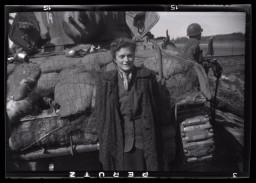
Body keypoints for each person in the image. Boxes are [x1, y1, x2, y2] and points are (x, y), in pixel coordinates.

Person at [96, 38, 164, 171]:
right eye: (121, 56)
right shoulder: (106, 81)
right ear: (115, 59)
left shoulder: (147, 77)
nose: (126, 60)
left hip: (144, 138)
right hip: (120, 139)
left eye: (129, 55)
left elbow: (156, 107)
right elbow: (101, 113)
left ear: (134, 56)